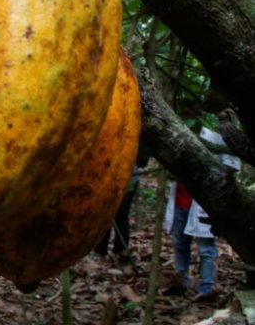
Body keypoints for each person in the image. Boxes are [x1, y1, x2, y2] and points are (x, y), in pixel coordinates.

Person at [163, 127, 240, 301]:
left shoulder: (213, 137)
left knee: (206, 249)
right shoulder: (173, 133)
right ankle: (181, 281)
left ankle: (206, 288)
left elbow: (232, 165)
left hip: (203, 204)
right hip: (180, 203)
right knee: (180, 245)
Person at [95, 146, 150, 262]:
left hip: (126, 178)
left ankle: (117, 250)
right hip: (114, 177)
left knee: (117, 216)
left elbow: (143, 160)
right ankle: (105, 249)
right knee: (110, 216)